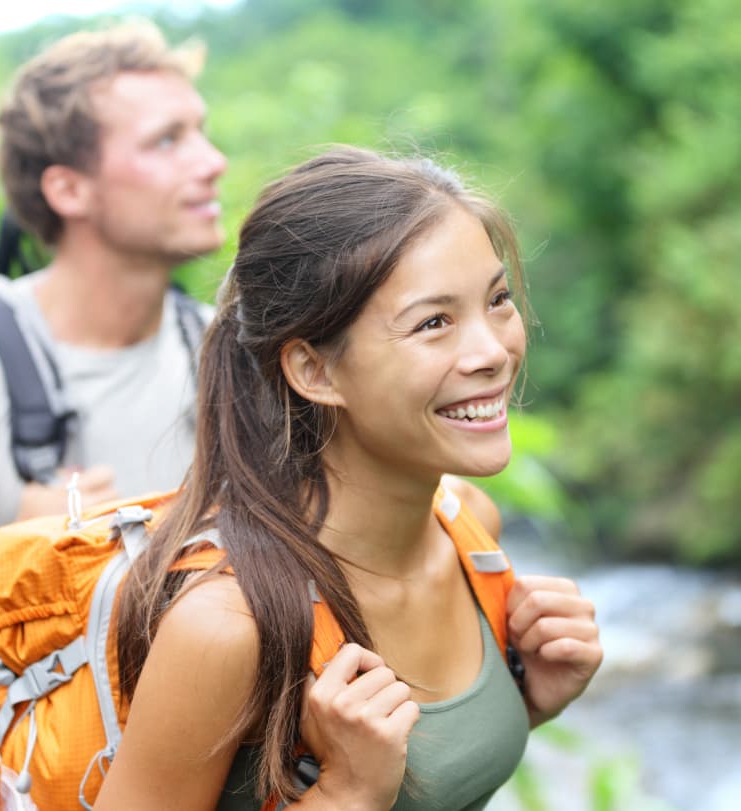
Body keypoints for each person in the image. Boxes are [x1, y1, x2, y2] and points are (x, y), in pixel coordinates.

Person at [96, 145, 602, 811]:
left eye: (498, 299)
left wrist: (523, 698)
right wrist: (346, 793)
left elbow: (432, 777)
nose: (492, 351)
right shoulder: (227, 628)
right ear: (315, 370)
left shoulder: (469, 529)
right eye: (433, 323)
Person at [0, 22, 227, 809]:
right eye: (166, 141)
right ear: (68, 189)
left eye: (200, 131)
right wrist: (24, 558)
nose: (211, 161)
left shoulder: (224, 355)